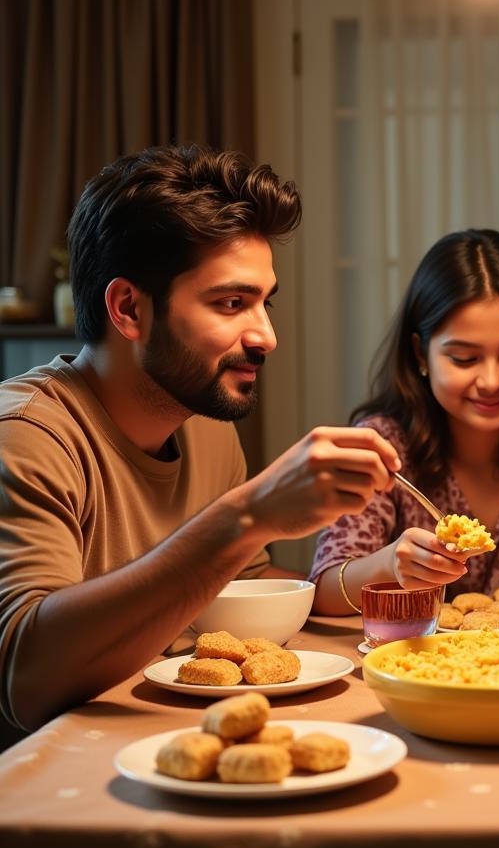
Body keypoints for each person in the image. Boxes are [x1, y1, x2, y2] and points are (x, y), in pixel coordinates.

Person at [0, 144, 400, 742]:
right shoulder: (26, 436)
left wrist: (382, 571)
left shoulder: (206, 428)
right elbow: (24, 681)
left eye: (265, 303)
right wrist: (248, 515)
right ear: (129, 308)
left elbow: (243, 588)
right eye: (231, 303)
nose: (266, 335)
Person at [310, 229, 499, 611]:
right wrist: (389, 564)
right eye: (464, 359)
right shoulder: (383, 447)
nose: (492, 382)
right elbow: (323, 591)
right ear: (420, 355)